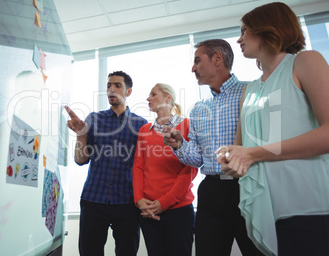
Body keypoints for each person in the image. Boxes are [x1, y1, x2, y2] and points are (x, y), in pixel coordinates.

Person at [216, 2, 329, 256]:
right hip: (265, 216)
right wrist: (231, 159)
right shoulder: (249, 90)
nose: (239, 38)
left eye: (245, 30)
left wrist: (254, 154)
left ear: (268, 28)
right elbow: (243, 151)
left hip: (311, 211)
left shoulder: (305, 61)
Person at [163, 39, 259, 256]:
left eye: (197, 60)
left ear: (217, 59)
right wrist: (179, 144)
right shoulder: (198, 108)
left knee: (257, 250)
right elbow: (197, 159)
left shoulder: (251, 92)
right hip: (211, 192)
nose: (193, 68)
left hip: (247, 186)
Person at [65, 71, 147, 256]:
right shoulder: (93, 119)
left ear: (129, 91)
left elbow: (145, 167)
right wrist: (81, 135)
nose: (111, 89)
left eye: (117, 85)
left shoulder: (141, 125)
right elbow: (80, 159)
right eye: (109, 85)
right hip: (94, 199)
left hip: (127, 201)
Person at [133, 83, 198, 256]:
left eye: (153, 94)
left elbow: (189, 169)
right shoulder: (144, 130)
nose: (148, 98)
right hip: (148, 211)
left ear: (168, 98)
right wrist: (139, 200)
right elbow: (139, 166)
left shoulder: (187, 125)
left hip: (178, 210)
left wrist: (164, 203)